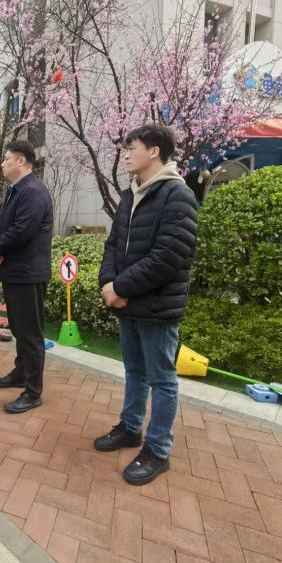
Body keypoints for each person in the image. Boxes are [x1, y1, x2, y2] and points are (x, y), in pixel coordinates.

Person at [95, 124, 198, 486]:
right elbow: (113, 245)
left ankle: (157, 450)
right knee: (134, 372)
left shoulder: (177, 196)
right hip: (128, 304)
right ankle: (130, 428)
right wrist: (108, 284)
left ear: (154, 151)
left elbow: (169, 256)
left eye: (131, 148)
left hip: (156, 307)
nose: (125, 154)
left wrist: (121, 287)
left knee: (162, 380)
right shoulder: (130, 195)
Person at [0, 141, 54, 414]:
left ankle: (33, 392)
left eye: (7, 159)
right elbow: (7, 228)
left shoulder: (33, 191)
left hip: (28, 274)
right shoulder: (17, 190)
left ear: (21, 160)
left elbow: (21, 231)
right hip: (16, 272)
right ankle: (21, 374)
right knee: (20, 330)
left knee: (30, 335)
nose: (2, 163)